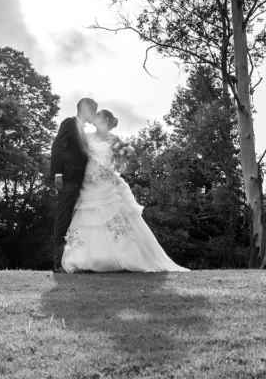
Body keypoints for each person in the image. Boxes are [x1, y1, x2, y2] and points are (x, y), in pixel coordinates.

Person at [61, 109, 188, 273]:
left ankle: (122, 257)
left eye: (99, 115)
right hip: (89, 181)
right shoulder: (86, 137)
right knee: (87, 217)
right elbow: (77, 156)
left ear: (106, 119)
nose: (95, 117)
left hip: (107, 181)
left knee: (114, 215)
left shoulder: (115, 140)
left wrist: (123, 160)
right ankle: (84, 259)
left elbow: (121, 165)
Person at [49, 98, 97, 273]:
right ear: (84, 109)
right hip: (67, 179)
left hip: (79, 182)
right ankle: (57, 264)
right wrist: (58, 174)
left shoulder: (82, 131)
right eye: (93, 110)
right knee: (63, 219)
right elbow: (57, 146)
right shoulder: (70, 123)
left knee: (73, 222)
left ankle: (71, 261)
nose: (94, 115)